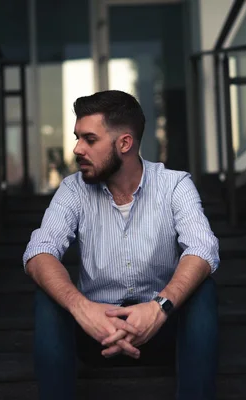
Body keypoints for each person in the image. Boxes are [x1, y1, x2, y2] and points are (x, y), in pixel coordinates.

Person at [23, 90, 220, 400]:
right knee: (48, 294)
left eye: (89, 139)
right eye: (78, 138)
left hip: (161, 329)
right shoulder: (73, 190)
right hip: (96, 333)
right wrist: (82, 307)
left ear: (124, 143)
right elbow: (39, 253)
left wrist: (159, 307)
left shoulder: (174, 185)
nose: (77, 149)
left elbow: (202, 249)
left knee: (202, 287)